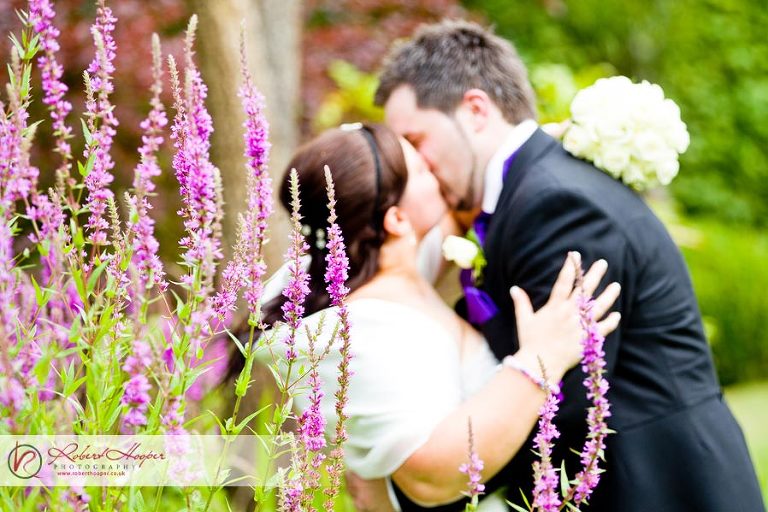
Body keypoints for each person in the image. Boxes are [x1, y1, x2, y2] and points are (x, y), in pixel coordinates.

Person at [373, 19, 765, 511]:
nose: (415, 168)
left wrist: (415, 485)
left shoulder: (555, 205)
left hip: (664, 487)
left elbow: (566, 402)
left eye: (417, 141)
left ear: (475, 110)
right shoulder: (529, 193)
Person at [259, 123, 622, 510]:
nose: (436, 170)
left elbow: (460, 207)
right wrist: (543, 356)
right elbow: (432, 477)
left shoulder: (395, 266)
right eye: (422, 170)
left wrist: (520, 145)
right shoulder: (368, 332)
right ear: (396, 219)